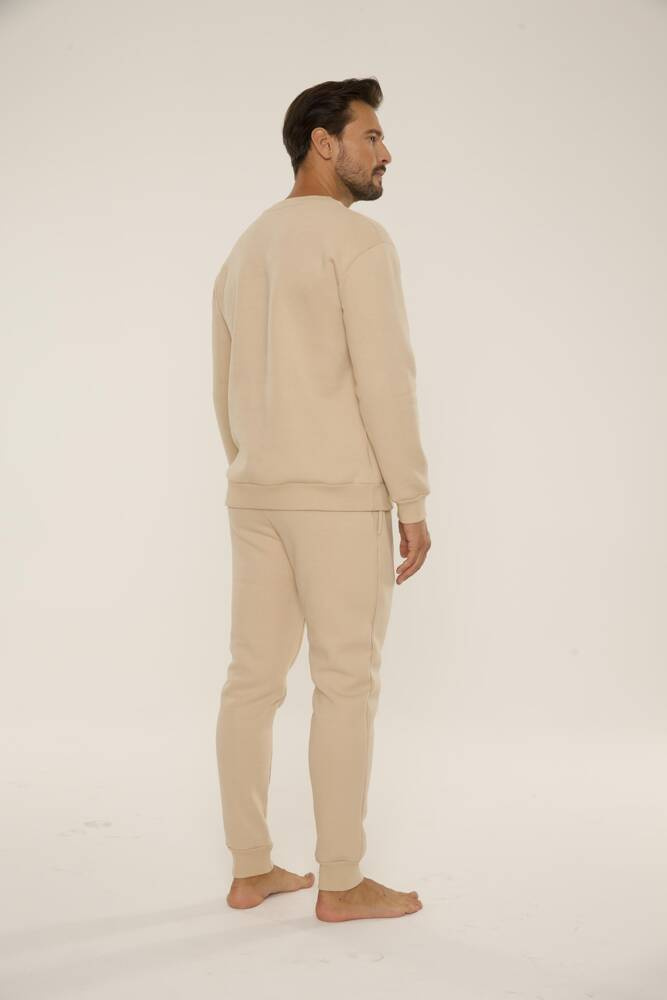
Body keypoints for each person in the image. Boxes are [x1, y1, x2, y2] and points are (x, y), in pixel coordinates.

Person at [211, 77, 431, 922]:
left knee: (250, 682)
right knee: (345, 682)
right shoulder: (357, 241)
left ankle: (250, 870)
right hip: (336, 497)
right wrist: (410, 499)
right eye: (370, 136)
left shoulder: (245, 247)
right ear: (322, 142)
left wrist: (252, 465)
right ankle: (340, 883)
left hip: (255, 493)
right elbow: (386, 380)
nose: (385, 153)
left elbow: (223, 382)